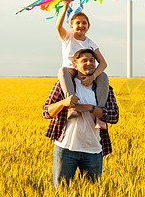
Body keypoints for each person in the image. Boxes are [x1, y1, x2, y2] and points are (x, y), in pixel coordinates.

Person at [42, 48, 119, 188]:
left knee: (92, 195)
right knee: (61, 193)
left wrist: (90, 108)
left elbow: (114, 116)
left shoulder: (103, 87)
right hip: (65, 150)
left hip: (93, 151)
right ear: (75, 65)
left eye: (92, 61)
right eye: (84, 61)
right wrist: (64, 103)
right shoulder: (62, 85)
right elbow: (46, 112)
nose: (89, 63)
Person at [56, 0, 108, 129]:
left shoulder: (91, 43)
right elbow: (58, 26)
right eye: (77, 23)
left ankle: (100, 116)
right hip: (71, 70)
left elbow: (103, 63)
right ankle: (71, 106)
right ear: (71, 26)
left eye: (84, 23)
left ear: (88, 26)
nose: (81, 25)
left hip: (87, 72)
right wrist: (65, 6)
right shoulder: (68, 37)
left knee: (103, 76)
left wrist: (93, 77)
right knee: (63, 71)